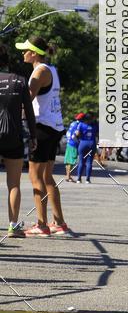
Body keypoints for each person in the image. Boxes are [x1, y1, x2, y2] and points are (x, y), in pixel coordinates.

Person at [15, 36, 69, 237]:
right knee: (47, 177)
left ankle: (42, 224)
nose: (23, 53)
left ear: (34, 53)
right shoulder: (51, 69)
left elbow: (26, 103)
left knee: (35, 176)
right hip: (54, 126)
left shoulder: (39, 73)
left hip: (43, 128)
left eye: (26, 50)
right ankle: (59, 222)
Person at [0, 43, 37, 237]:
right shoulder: (20, 81)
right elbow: (29, 113)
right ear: (7, 62)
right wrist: (33, 136)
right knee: (13, 184)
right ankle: (13, 225)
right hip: (14, 137)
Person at [74, 113, 97, 184]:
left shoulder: (81, 124)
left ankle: (78, 179)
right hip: (92, 143)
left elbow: (77, 134)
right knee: (89, 162)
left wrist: (77, 140)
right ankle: (87, 179)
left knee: (81, 161)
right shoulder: (95, 125)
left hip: (83, 143)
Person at [64, 113, 84, 182]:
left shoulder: (73, 123)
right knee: (71, 161)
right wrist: (78, 141)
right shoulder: (79, 125)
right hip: (73, 144)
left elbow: (68, 133)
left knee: (68, 160)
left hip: (69, 143)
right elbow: (75, 135)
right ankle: (67, 176)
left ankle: (68, 176)